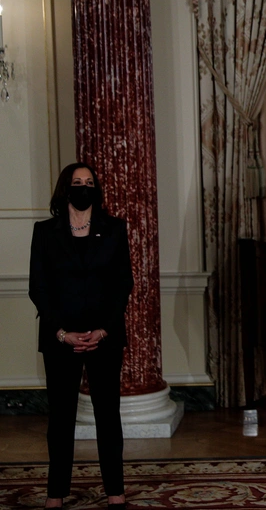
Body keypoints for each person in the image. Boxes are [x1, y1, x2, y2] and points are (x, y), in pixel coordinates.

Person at [29, 162, 134, 509]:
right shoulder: (45, 232)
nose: (83, 187)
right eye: (77, 182)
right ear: (66, 188)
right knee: (61, 418)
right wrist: (64, 333)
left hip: (104, 338)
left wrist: (102, 330)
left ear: (96, 189)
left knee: (108, 416)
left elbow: (123, 284)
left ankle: (115, 491)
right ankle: (55, 493)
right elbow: (39, 288)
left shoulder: (115, 229)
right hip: (60, 339)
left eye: (89, 182)